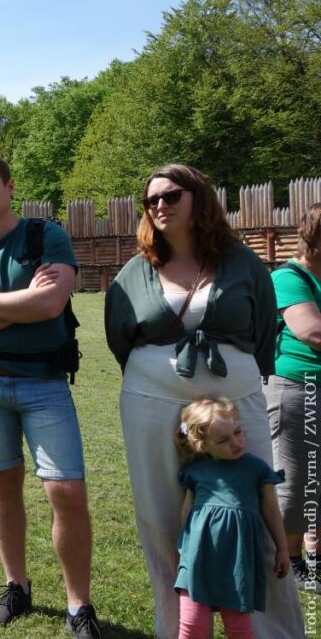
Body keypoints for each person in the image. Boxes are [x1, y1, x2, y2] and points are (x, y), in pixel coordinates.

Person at [104, 163, 303, 638]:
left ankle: (271, 629)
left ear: (199, 199)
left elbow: (261, 334)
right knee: (160, 516)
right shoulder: (135, 271)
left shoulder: (242, 263)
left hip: (236, 397)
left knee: (251, 506)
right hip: (150, 399)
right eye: (151, 200)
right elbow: (120, 337)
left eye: (171, 196)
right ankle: (178, 628)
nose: (160, 206)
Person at [0, 154, 101, 638]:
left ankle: (79, 607)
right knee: (3, 484)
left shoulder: (45, 236)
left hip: (45, 383)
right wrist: (20, 305)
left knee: (66, 491)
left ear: (10, 187)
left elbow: (52, 302)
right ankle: (17, 586)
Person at [173, 398, 289, 639]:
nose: (236, 443)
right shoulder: (195, 470)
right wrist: (184, 550)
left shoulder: (257, 468)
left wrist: (282, 549)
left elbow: (271, 510)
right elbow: (187, 510)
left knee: (239, 629)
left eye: (237, 432)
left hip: (238, 560)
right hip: (198, 557)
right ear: (201, 445)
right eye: (223, 440)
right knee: (192, 625)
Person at [264, 202, 321, 592]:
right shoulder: (289, 276)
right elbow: (311, 332)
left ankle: (315, 554)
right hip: (298, 388)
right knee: (295, 482)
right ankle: (290, 559)